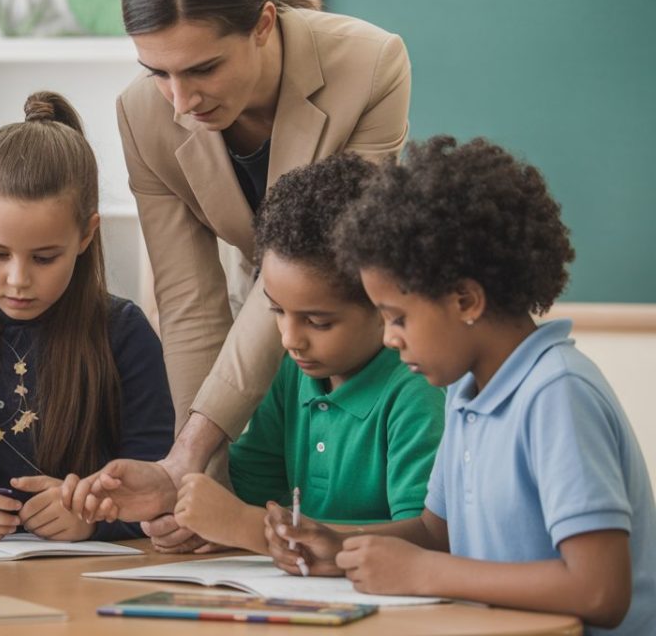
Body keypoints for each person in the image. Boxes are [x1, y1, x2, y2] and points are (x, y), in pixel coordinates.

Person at [67, 0, 412, 552]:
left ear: (263, 23)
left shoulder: (369, 66)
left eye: (202, 69)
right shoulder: (142, 114)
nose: (180, 101)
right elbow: (190, 304)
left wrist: (191, 457)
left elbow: (302, 270)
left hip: (348, 327)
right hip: (248, 326)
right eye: (157, 71)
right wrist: (197, 488)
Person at [267, 137, 655, 635]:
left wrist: (425, 573)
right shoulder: (467, 392)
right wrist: (339, 547)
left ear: (466, 300)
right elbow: (436, 532)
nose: (389, 338)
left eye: (398, 318)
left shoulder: (557, 394)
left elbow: (600, 591)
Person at [0, 93, 174, 543]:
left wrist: (95, 518)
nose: (17, 280)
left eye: (44, 258)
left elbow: (159, 486)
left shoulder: (125, 334)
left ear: (86, 235)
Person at [172, 155, 443, 554]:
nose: (289, 339)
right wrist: (180, 509)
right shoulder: (292, 372)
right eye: (277, 311)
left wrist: (252, 528)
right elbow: (247, 491)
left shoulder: (416, 391)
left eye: (317, 322)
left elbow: (426, 537)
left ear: (382, 303)